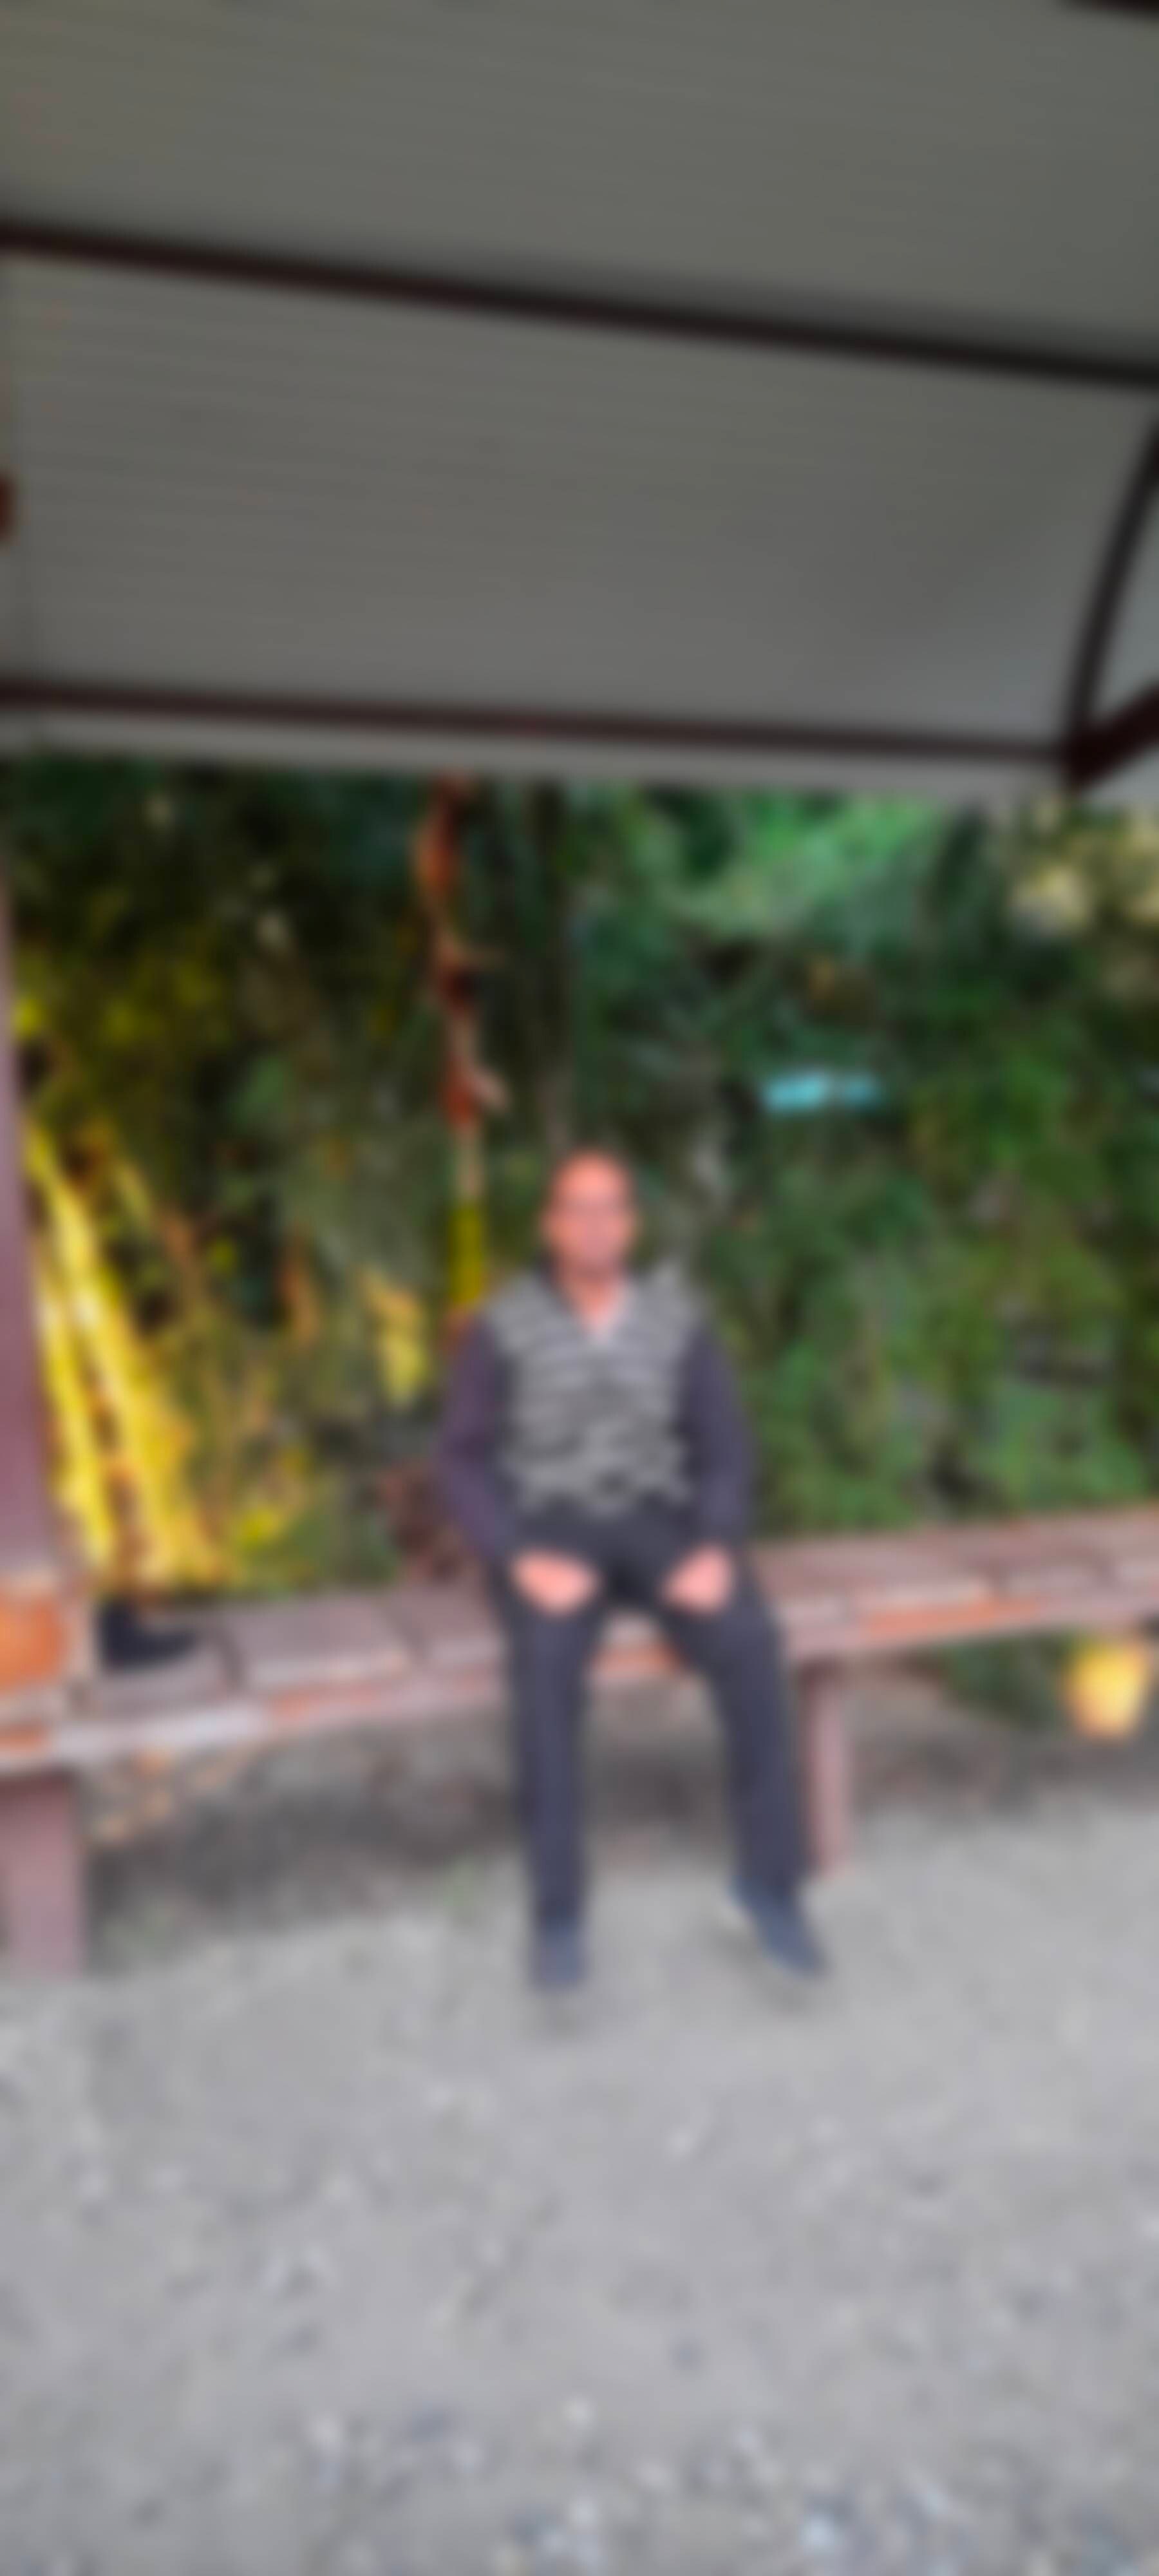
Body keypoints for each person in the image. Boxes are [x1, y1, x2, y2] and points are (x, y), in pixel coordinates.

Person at [435, 1147, 825, 1990]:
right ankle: (558, 1916)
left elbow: (724, 1447)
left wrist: (715, 1544)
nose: (594, 1224)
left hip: (659, 1519)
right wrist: (513, 1554)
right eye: (577, 1208)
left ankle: (769, 1888)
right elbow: (462, 1459)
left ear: (632, 1225)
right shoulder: (504, 1325)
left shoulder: (676, 1320)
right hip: (549, 1525)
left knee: (750, 1640)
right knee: (544, 1664)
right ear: (550, 1224)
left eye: (610, 1207)